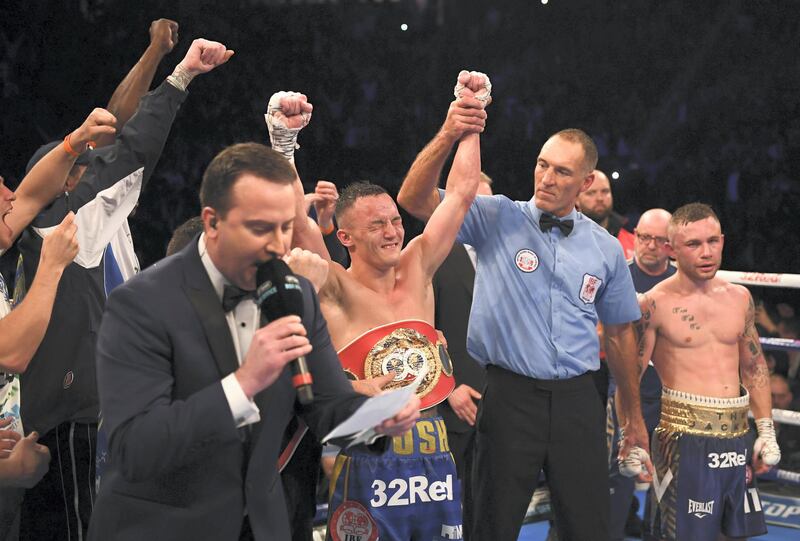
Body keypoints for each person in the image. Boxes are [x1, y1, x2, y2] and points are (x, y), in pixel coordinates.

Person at [88, 141, 419, 541]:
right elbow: (134, 448)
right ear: (212, 223)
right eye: (260, 228)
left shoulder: (293, 294)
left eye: (284, 227)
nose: (278, 245)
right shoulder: (140, 304)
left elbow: (328, 406)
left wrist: (375, 421)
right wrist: (243, 384)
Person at [15, 34, 224, 541]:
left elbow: (116, 130)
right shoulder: (61, 225)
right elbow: (129, 148)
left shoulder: (109, 235)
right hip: (76, 426)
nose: (102, 173)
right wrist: (179, 78)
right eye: (88, 168)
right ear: (66, 182)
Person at [398, 123, 651, 539]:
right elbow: (413, 198)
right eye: (542, 165)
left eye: (562, 172)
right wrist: (449, 133)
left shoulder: (605, 249)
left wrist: (633, 416)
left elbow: (621, 332)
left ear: (586, 181)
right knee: (491, 524)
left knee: (589, 526)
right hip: (508, 398)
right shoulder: (496, 216)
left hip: (578, 400)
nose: (547, 178)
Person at [272, 71, 488, 540]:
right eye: (377, 225)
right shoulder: (333, 285)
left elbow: (463, 195)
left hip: (433, 443)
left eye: (394, 220)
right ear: (345, 237)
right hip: (368, 449)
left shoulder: (418, 264)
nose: (393, 231)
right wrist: (283, 143)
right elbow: (293, 218)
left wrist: (469, 121)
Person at [636, 203, 780, 541]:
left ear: (723, 241)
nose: (707, 252)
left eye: (713, 241)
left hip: (735, 435)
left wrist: (766, 429)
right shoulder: (655, 303)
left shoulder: (739, 298)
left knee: (735, 534)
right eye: (694, 244)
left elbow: (754, 365)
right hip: (682, 439)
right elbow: (630, 375)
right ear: (671, 250)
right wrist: (631, 436)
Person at [607, 208, 675, 541]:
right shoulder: (618, 276)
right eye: (644, 237)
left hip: (670, 392)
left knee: (667, 473)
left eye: (659, 240)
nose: (649, 245)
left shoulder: (682, 283)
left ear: (671, 244)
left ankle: (657, 535)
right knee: (619, 471)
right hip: (624, 388)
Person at [430, 172, 492, 531]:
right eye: (472, 203)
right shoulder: (432, 255)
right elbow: (422, 330)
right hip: (455, 405)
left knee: (492, 506)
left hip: (504, 402)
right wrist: (447, 387)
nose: (482, 212)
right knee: (448, 513)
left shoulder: (512, 257)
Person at [577, 168, 635, 259]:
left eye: (605, 191)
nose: (600, 198)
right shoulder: (562, 239)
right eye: (591, 193)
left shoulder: (632, 242)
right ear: (576, 199)